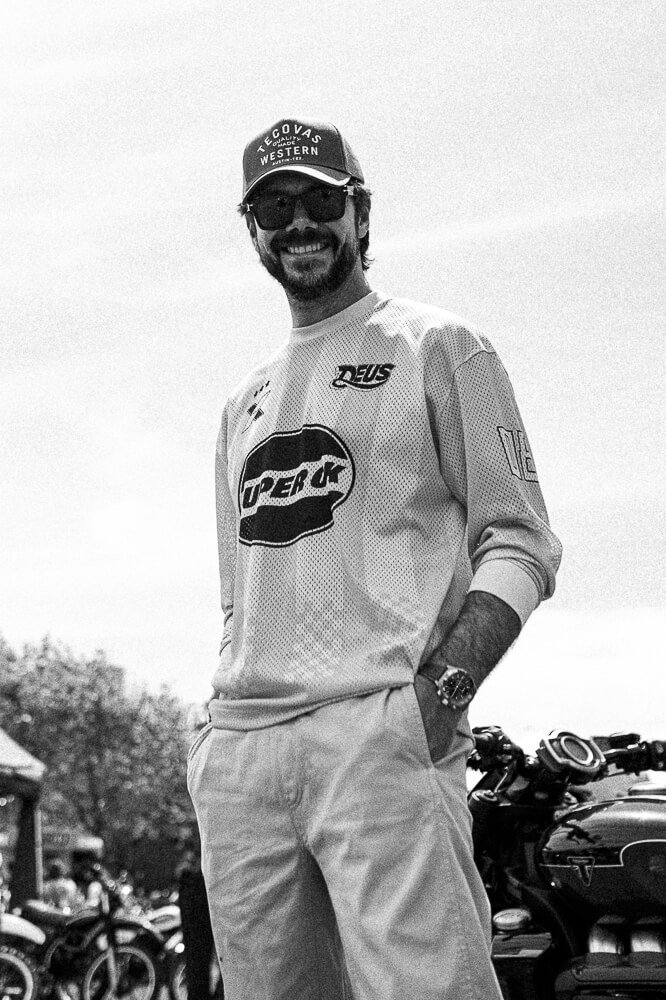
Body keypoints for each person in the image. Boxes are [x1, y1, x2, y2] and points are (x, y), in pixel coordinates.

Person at [187, 117, 562, 1000]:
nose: (299, 222)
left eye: (319, 198)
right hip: (243, 752)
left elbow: (522, 539)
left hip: (379, 733)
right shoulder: (242, 402)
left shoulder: (439, 346)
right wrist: (211, 739)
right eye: (274, 206)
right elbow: (242, 595)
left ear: (359, 212)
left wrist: (444, 695)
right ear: (253, 231)